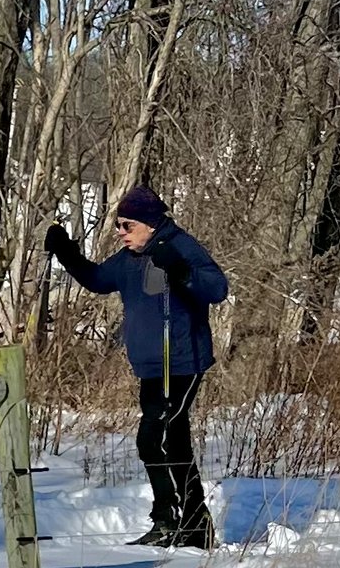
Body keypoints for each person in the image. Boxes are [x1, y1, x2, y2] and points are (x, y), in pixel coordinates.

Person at [45, 186, 229, 548]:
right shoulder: (130, 256)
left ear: (149, 223)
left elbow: (217, 287)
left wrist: (180, 272)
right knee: (173, 443)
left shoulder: (178, 245)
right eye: (118, 226)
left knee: (153, 439)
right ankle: (196, 527)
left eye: (127, 225)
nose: (121, 233)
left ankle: (167, 521)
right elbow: (98, 280)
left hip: (180, 361)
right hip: (150, 365)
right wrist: (65, 250)